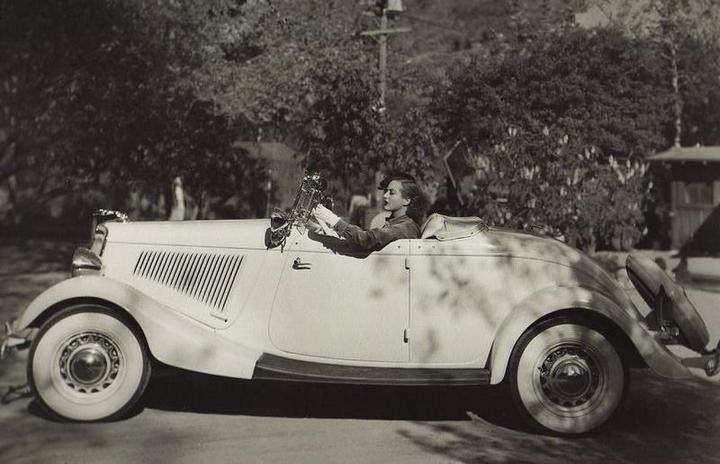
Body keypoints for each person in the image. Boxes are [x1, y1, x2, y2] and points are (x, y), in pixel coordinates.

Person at [312, 173, 426, 251]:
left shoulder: (403, 228)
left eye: (392, 193)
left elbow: (367, 239)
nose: (385, 196)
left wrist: (334, 220)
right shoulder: (400, 224)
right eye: (386, 192)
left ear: (406, 200)